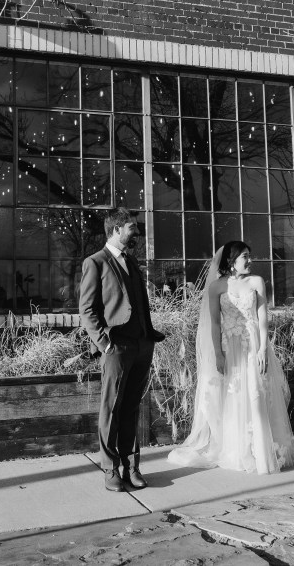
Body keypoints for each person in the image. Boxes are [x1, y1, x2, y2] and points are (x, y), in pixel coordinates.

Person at [168, 241, 294, 474]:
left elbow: (262, 318)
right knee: (234, 396)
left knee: (257, 393)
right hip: (229, 347)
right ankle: (238, 450)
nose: (250, 261)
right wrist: (218, 354)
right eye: (245, 257)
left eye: (250, 256)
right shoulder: (217, 287)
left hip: (253, 345)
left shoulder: (256, 282)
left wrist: (262, 349)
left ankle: (262, 452)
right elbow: (215, 323)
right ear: (231, 261)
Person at [79, 207, 166, 492]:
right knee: (111, 409)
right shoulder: (95, 262)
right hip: (116, 347)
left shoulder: (132, 261)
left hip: (141, 345)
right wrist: (104, 344)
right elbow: (87, 310)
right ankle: (110, 470)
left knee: (131, 409)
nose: (136, 231)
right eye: (131, 227)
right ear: (116, 229)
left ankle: (131, 468)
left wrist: (147, 340)